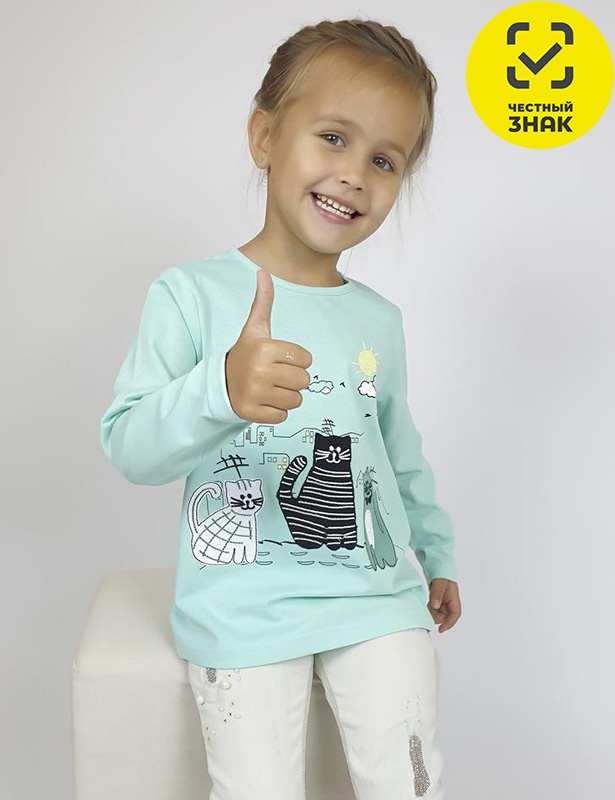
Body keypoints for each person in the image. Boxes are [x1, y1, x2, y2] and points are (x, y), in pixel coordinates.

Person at [100, 16, 461, 800]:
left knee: (409, 782)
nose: (354, 174)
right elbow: (128, 447)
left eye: (384, 160)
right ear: (265, 136)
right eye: (332, 137)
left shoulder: (378, 321)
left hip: (374, 601)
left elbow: (398, 453)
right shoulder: (189, 295)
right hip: (244, 609)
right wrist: (219, 390)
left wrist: (437, 553)